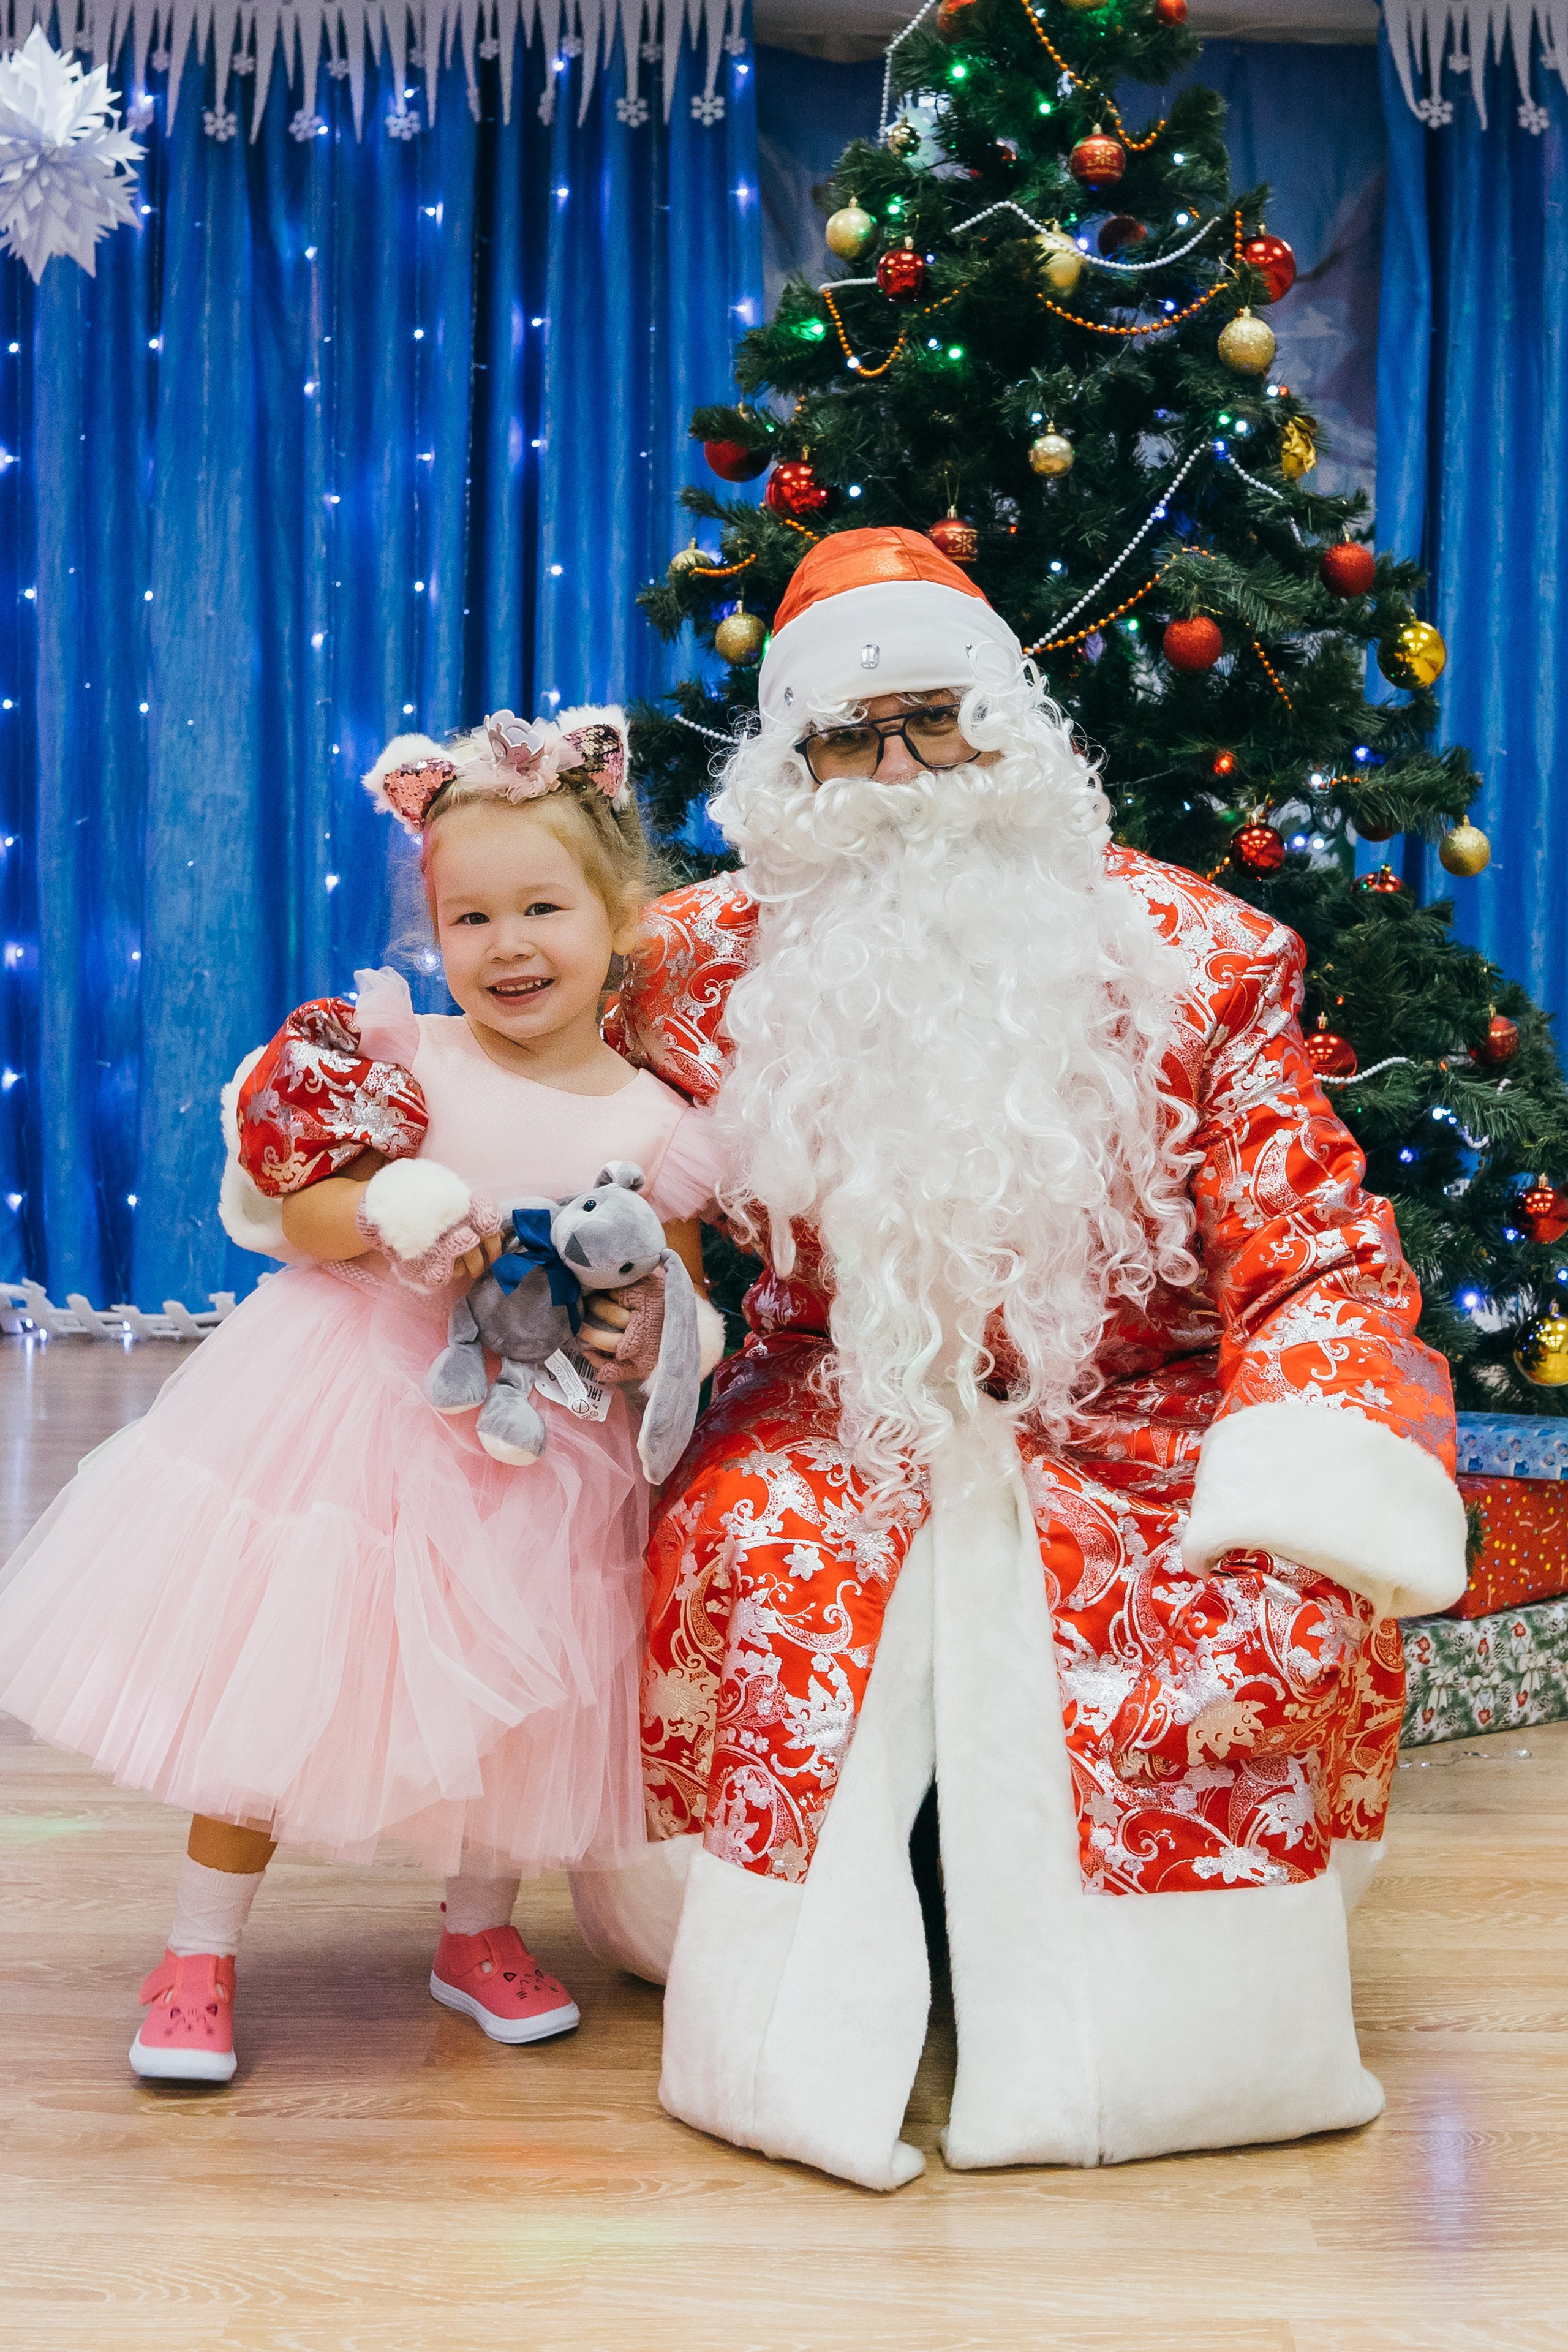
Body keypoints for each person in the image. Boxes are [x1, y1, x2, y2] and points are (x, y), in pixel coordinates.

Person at [570, 529, 1468, 2190]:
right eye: (853, 735)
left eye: (941, 720)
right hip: (823, 1404)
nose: (905, 771)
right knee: (763, 1554)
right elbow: (545, 1124)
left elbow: (1320, 1241)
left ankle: (1163, 2034)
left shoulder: (1199, 958)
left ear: (1015, 727)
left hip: (1142, 1409)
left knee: (1242, 1575)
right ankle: (806, 1982)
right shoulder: (684, 972)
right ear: (793, 765)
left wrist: (1313, 1450)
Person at [0, 707, 724, 2085]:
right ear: (432, 935)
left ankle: (474, 1932)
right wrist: (388, 1219)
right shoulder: (402, 1058)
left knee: (521, 1699)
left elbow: (682, 1292)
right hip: (354, 1415)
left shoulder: (651, 1117)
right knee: (281, 1689)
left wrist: (647, 1337)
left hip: (544, 1444)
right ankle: (198, 1949)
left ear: (620, 916)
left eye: (541, 908)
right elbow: (292, 1215)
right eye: (469, 919)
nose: (507, 946)